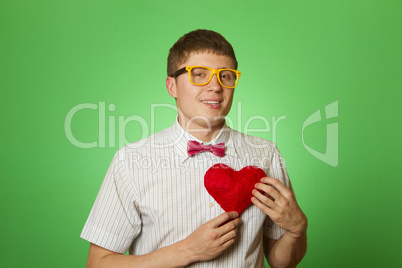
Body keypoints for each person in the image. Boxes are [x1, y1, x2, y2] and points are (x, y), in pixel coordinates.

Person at [81, 29, 307, 268]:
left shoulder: (266, 154)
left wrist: (296, 229)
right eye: (199, 74)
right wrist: (187, 250)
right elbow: (98, 263)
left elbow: (280, 262)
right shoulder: (131, 160)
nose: (215, 87)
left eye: (226, 76)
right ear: (172, 86)